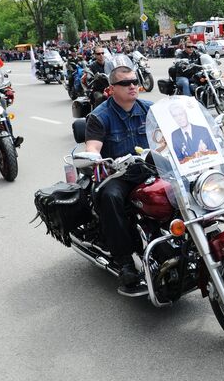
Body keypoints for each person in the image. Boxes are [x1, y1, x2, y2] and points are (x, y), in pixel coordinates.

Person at [84, 65, 153, 293]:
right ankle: (124, 261)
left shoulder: (150, 109)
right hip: (119, 174)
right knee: (110, 197)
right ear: (112, 89)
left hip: (151, 168)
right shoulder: (100, 116)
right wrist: (94, 157)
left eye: (134, 81)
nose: (132, 85)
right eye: (125, 83)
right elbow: (93, 146)